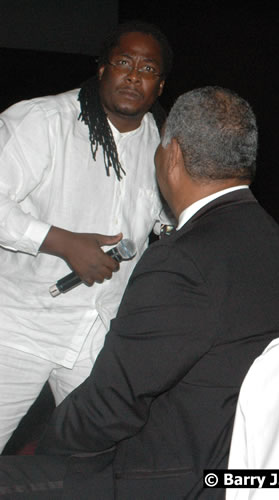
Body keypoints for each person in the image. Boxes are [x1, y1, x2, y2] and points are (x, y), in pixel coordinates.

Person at [0, 86, 279, 498]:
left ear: (171, 156)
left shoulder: (181, 263)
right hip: (243, 457)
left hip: (168, 474)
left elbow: (108, 409)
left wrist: (49, 459)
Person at [0, 21, 173, 452]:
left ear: (160, 85)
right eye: (123, 62)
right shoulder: (42, 121)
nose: (134, 75)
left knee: (104, 458)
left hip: (99, 335)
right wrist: (60, 241)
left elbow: (167, 222)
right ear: (101, 70)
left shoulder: (165, 145)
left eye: (148, 68)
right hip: (19, 327)